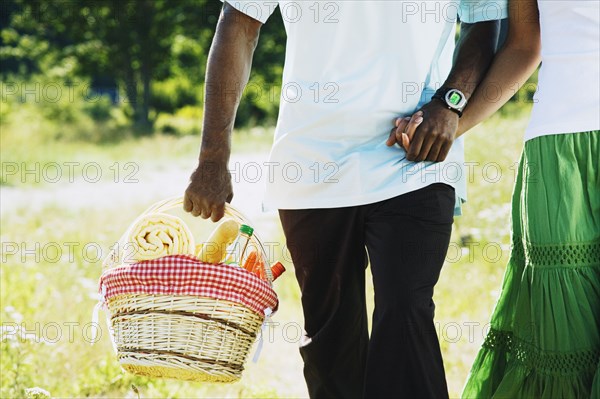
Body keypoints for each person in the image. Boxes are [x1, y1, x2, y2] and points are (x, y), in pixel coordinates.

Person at [184, 1, 507, 397]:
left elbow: (483, 20)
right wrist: (213, 159)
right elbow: (238, 25)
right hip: (312, 160)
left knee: (406, 309)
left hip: (416, 148)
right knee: (330, 331)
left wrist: (449, 103)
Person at [400, 0, 599, 397]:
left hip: (562, 144)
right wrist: (449, 124)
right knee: (562, 328)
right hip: (558, 151)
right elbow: (524, 45)